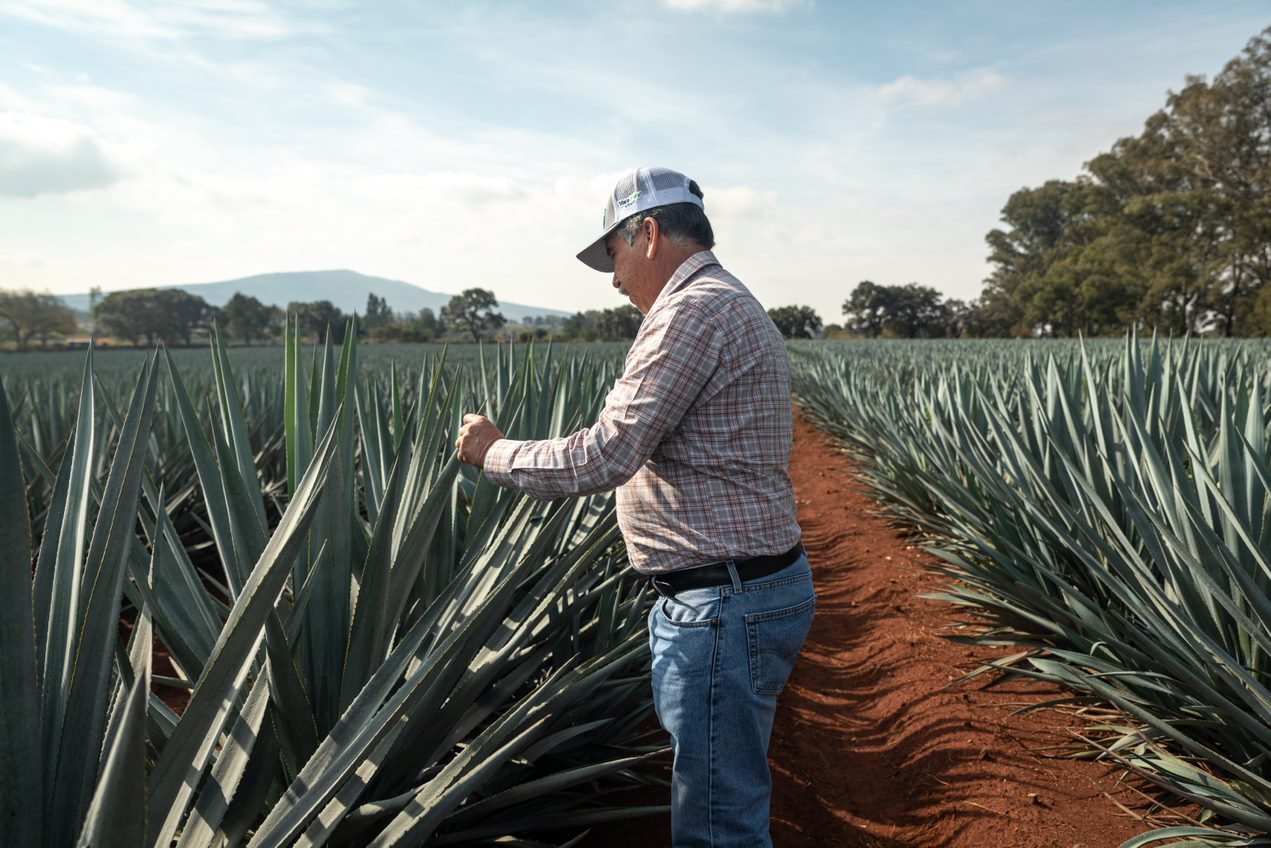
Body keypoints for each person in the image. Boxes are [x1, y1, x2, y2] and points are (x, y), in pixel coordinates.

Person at [455, 166, 815, 847]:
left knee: (718, 826)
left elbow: (604, 455)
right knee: (726, 797)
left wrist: (492, 453)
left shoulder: (691, 311)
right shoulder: (726, 301)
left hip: (721, 605)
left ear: (647, 234)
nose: (613, 279)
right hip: (741, 593)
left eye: (613, 256)